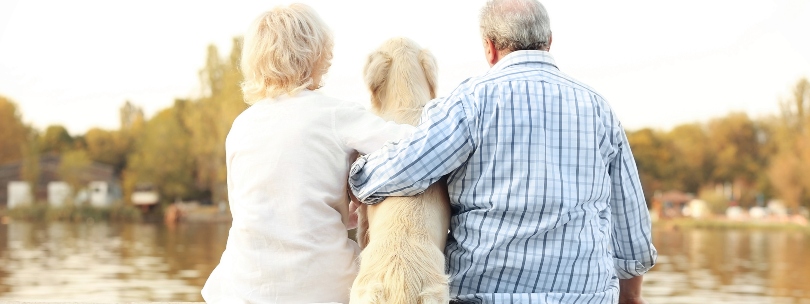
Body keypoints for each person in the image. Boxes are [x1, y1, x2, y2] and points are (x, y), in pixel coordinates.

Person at [348, 0, 657, 303]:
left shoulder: (469, 103)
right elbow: (631, 227)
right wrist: (631, 296)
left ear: (489, 47)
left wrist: (359, 176)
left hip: (485, 295)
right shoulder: (598, 108)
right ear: (549, 41)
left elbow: (404, 169)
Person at [201, 4, 414, 303]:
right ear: (318, 54)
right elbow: (410, 145)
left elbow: (252, 210)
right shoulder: (336, 114)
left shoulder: (241, 126)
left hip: (242, 286)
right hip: (318, 286)